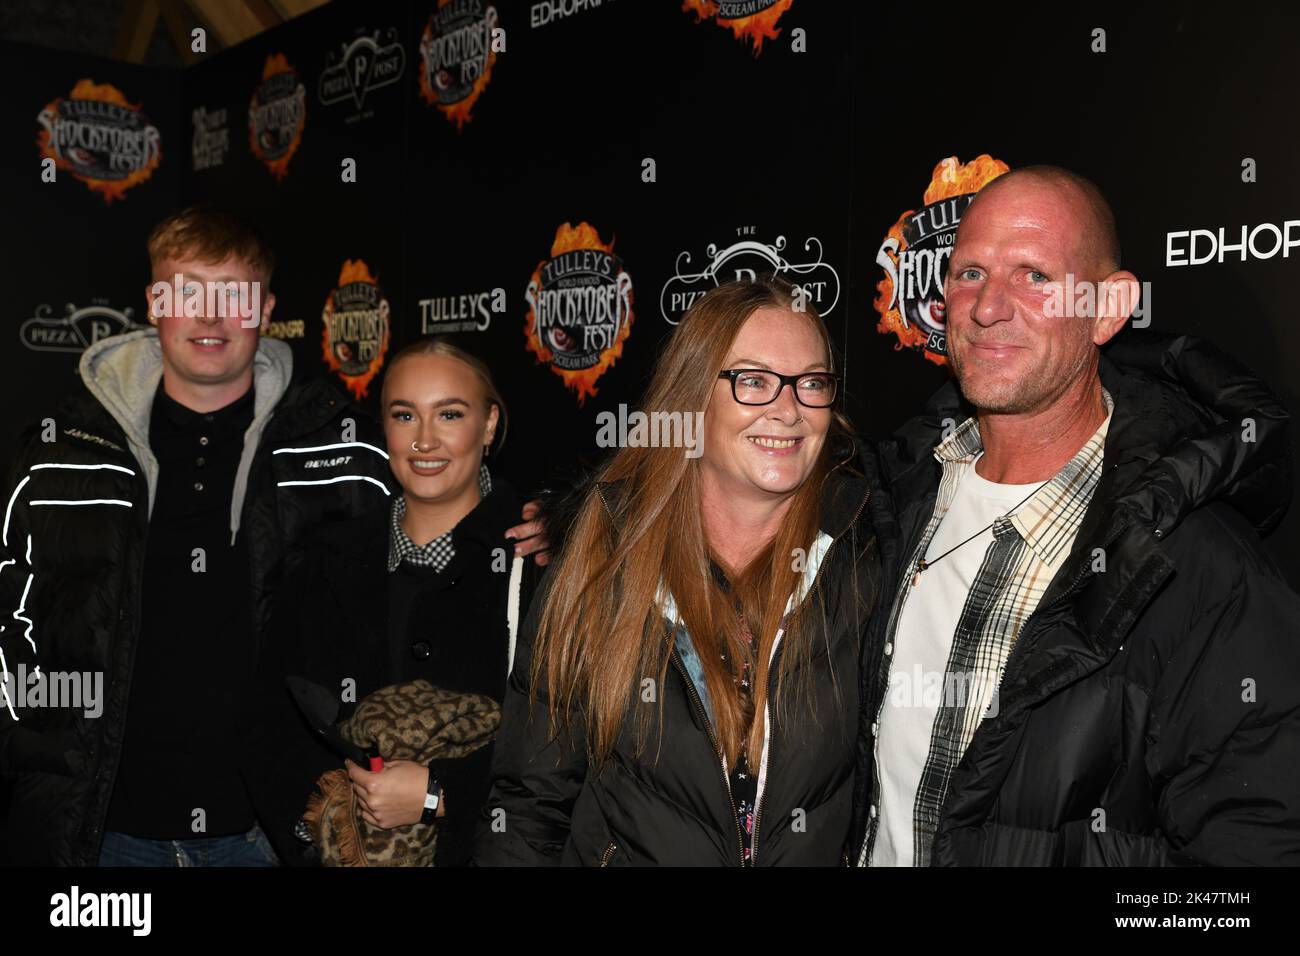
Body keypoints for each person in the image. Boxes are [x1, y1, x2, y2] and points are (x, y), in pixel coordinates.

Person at [0, 206, 547, 867]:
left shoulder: (341, 448)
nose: (210, 317)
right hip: (98, 835)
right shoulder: (65, 451)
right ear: (153, 303)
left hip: (272, 838)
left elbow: (446, 508)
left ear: (265, 308)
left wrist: (552, 524)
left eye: (233, 295)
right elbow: (13, 626)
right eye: (187, 292)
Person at [853, 166, 1300, 866]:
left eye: (1033, 276)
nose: (988, 306)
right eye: (969, 272)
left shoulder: (1203, 570)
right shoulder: (889, 502)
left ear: (1110, 307)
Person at [476, 276, 883, 866]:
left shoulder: (863, 556)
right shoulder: (605, 559)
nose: (789, 410)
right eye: (754, 381)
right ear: (693, 397)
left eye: (812, 383)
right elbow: (530, 802)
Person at [245, 337, 540, 866]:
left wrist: (440, 793)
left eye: (449, 414)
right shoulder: (323, 562)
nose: (425, 440)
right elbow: (271, 729)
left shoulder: (541, 564)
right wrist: (323, 838)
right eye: (405, 415)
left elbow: (569, 750)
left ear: (489, 424)